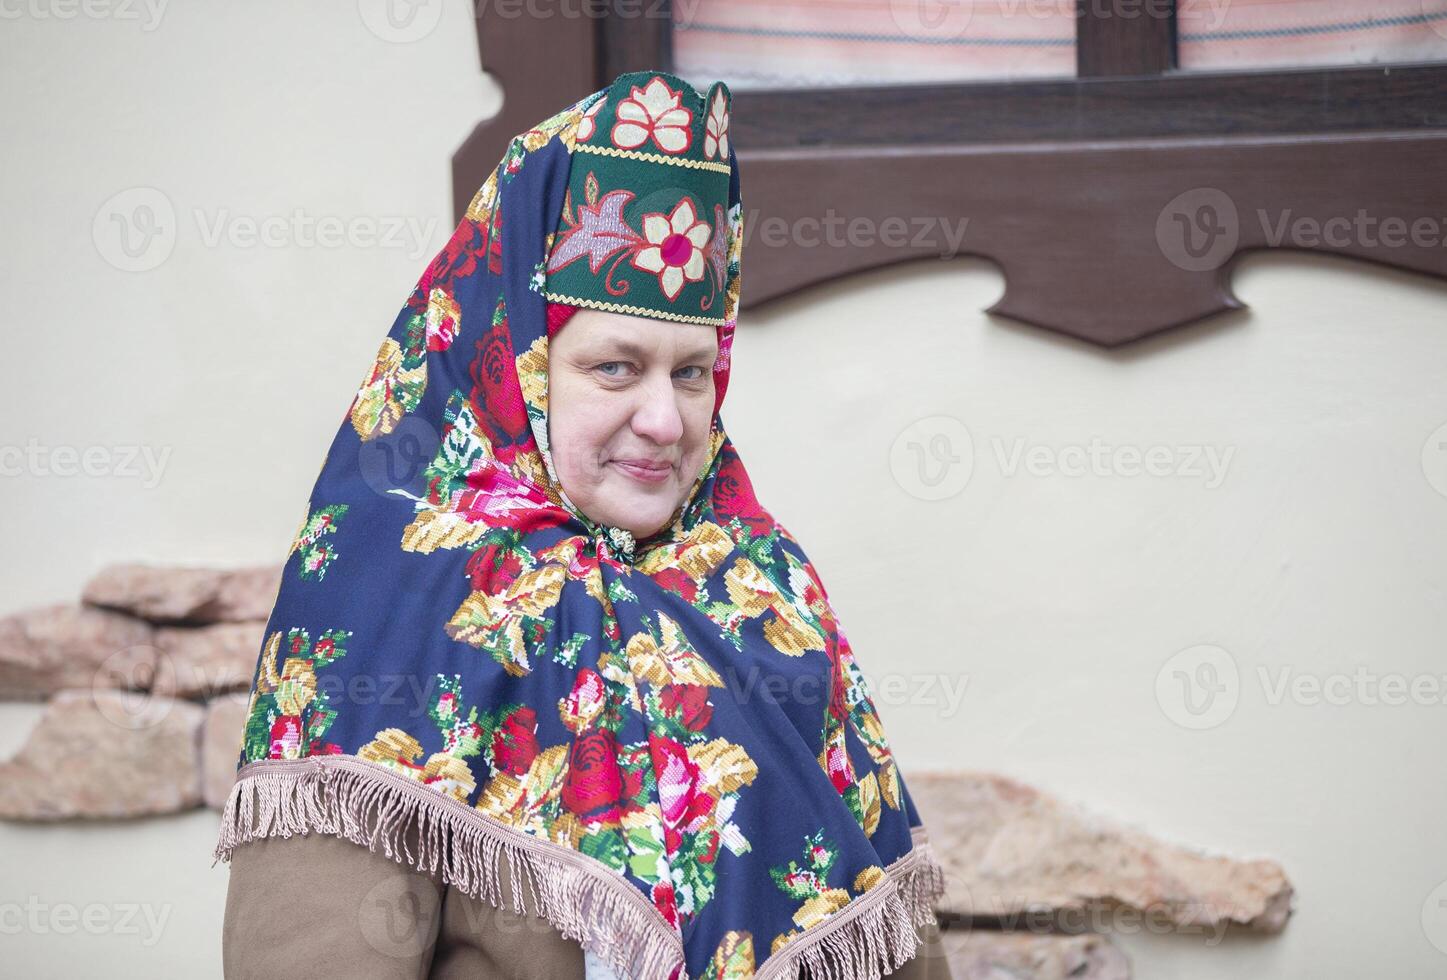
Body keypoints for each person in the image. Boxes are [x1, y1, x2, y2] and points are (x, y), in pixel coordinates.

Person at [217, 70, 953, 980]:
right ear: (514, 362)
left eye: (692, 373)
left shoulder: (763, 589)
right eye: (615, 367)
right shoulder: (390, 604)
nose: (666, 419)